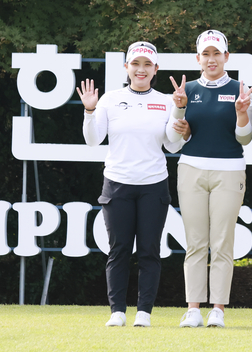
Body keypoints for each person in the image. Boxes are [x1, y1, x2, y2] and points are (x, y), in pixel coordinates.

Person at [77, 41, 190, 328]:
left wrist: (179, 112)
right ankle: (117, 311)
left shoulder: (166, 100)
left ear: (155, 70)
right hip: (117, 184)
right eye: (135, 64)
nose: (141, 69)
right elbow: (92, 139)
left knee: (150, 251)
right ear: (126, 67)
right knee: (119, 250)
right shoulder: (110, 100)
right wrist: (89, 111)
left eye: (147, 65)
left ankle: (144, 313)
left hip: (154, 184)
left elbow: (173, 146)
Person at [165, 29, 252, 328]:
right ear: (198, 58)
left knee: (221, 242)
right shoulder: (186, 90)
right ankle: (193, 308)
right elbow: (175, 142)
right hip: (191, 169)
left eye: (217, 53)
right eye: (206, 54)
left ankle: (218, 308)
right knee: (195, 241)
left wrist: (242, 113)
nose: (212, 59)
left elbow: (243, 139)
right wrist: (179, 107)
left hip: (229, 171)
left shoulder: (239, 90)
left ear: (226, 56)